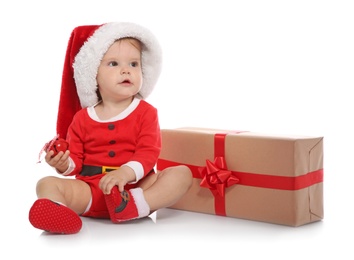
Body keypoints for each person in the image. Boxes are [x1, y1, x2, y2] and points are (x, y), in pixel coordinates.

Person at [29, 22, 193, 234]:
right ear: (92, 75)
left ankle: (136, 206)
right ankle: (57, 209)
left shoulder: (146, 112)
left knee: (182, 174)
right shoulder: (82, 118)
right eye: (114, 63)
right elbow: (76, 162)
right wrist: (63, 163)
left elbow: (148, 152)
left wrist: (125, 173)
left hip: (135, 188)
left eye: (134, 64)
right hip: (90, 191)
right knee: (46, 183)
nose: (126, 70)